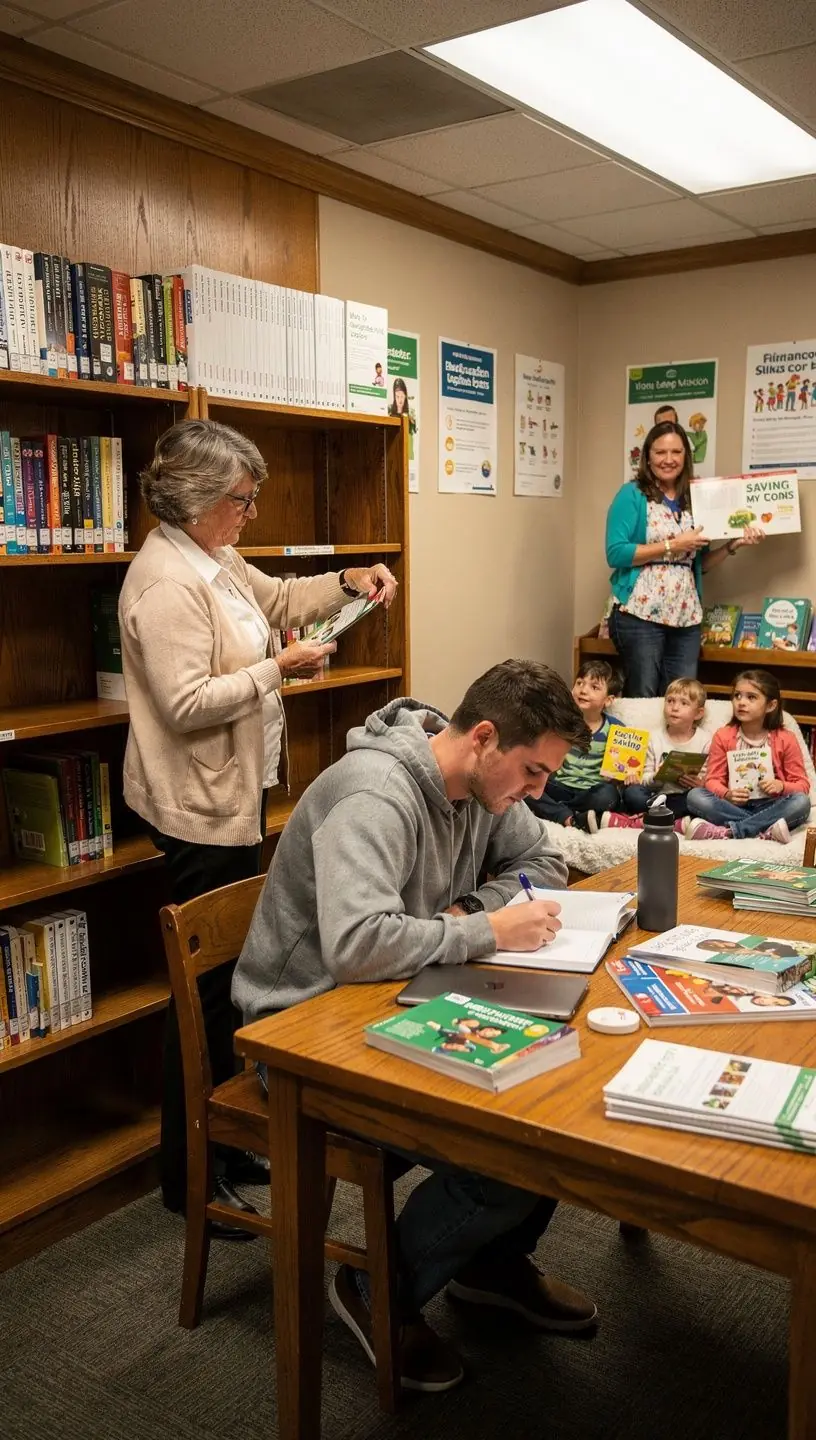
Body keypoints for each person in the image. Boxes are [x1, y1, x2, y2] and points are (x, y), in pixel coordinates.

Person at [233, 660, 598, 1393]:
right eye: (530, 774)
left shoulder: (482, 791)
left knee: (557, 1086)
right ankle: (374, 1290)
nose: (535, 794)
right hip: (302, 1032)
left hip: (402, 992)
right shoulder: (376, 793)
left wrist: (464, 916)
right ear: (485, 738)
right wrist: (485, 928)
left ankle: (485, 1265)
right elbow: (360, 945)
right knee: (500, 1156)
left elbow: (542, 861)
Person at [119, 418, 397, 1230]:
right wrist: (280, 668)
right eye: (241, 500)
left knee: (229, 984)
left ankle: (227, 1144)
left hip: (234, 797)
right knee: (203, 998)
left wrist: (349, 582)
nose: (250, 513)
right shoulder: (167, 581)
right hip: (196, 808)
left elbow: (278, 598)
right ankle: (191, 1175)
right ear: (200, 501)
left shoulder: (214, 557)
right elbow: (184, 703)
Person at [606, 421, 764, 696]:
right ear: (647, 456)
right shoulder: (631, 495)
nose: (669, 460)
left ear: (686, 457)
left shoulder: (695, 499)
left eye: (676, 452)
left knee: (682, 700)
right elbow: (616, 552)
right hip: (640, 616)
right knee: (643, 697)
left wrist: (732, 545)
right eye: (660, 452)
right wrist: (673, 545)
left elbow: (697, 565)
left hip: (686, 617)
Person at [685, 669, 811, 843]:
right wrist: (727, 793)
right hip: (733, 805)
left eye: (751, 697)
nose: (741, 702)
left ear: (771, 705)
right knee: (695, 796)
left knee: (801, 803)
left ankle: (731, 831)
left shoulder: (786, 738)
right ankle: (765, 829)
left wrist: (781, 786)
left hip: (773, 804)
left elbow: (802, 785)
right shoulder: (724, 735)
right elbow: (712, 779)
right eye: (737, 696)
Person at [591, 677, 712, 830]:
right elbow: (645, 778)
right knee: (633, 794)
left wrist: (700, 784)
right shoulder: (654, 738)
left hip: (685, 797)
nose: (674, 707)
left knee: (700, 800)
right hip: (656, 796)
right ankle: (671, 821)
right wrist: (657, 776)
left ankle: (643, 820)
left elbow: (710, 778)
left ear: (698, 713)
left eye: (684, 703)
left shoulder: (706, 740)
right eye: (670, 701)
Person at [526, 659, 623, 830]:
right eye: (580, 683)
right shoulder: (560, 723)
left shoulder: (617, 730)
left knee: (608, 795)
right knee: (526, 785)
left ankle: (563, 812)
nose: (583, 690)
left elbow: (620, 771)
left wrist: (617, 777)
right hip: (560, 785)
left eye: (594, 687)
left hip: (591, 790)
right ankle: (570, 817)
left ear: (608, 700)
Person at [388, 376, 417, 460]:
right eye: (397, 396)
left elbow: (413, 431)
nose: (400, 400)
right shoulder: (389, 410)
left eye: (402, 396)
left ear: (405, 396)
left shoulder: (411, 413)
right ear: (394, 396)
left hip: (407, 454)